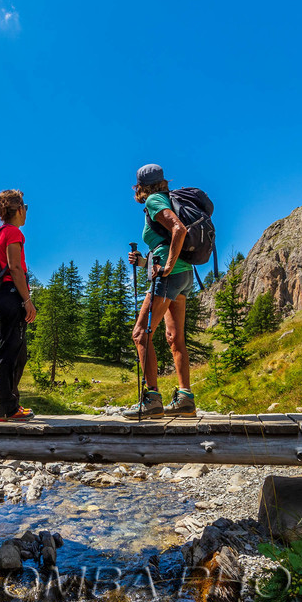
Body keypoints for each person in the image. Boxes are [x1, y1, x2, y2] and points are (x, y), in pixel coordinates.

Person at [120, 164, 195, 418]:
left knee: (141, 334)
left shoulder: (154, 200)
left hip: (170, 274)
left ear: (140, 187)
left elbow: (178, 230)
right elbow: (165, 242)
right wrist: (143, 262)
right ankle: (185, 398)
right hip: (185, 276)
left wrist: (167, 266)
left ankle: (151, 399)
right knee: (175, 338)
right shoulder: (168, 198)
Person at [0, 189, 36, 421]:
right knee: (10, 352)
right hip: (11, 295)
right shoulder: (13, 233)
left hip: (0, 296)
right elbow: (15, 268)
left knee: (18, 352)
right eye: (25, 208)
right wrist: (27, 301)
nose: (26, 213)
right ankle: (4, 408)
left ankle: (10, 405)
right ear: (18, 210)